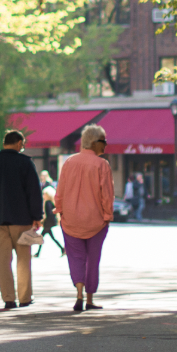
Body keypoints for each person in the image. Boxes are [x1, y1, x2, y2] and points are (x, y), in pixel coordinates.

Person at [0, 129, 43, 310]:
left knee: (3, 262)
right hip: (22, 220)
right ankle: (24, 298)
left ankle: (8, 299)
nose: (22, 147)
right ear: (18, 143)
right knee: (23, 260)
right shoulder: (25, 163)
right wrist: (37, 217)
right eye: (22, 144)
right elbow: (34, 192)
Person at [55, 125, 114, 312]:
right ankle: (89, 298)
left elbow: (60, 192)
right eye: (103, 141)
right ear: (95, 142)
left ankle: (79, 294)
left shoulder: (69, 163)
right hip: (95, 220)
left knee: (75, 258)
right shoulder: (102, 165)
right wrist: (107, 216)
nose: (105, 145)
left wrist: (60, 211)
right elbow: (107, 194)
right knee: (92, 259)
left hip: (71, 219)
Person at [37, 186, 63, 257]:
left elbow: (48, 214)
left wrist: (43, 221)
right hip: (48, 224)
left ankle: (37, 253)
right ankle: (62, 249)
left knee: (42, 238)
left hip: (47, 224)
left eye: (44, 193)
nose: (43, 195)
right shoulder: (51, 202)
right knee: (51, 238)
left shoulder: (47, 203)